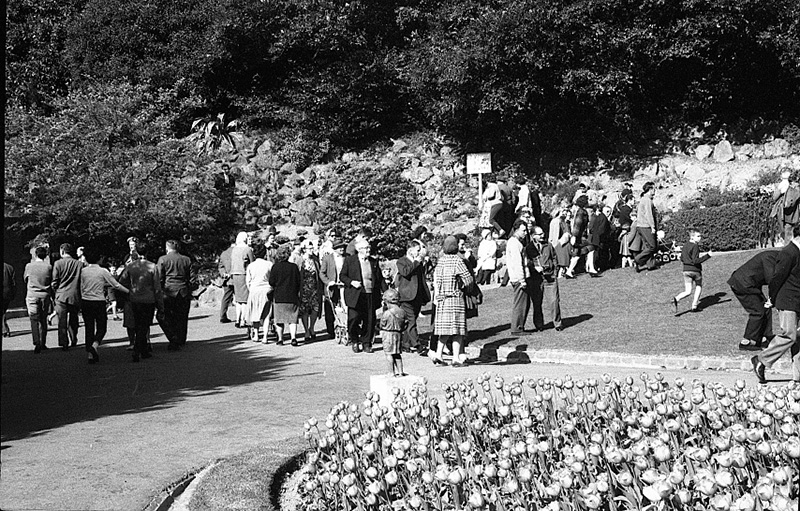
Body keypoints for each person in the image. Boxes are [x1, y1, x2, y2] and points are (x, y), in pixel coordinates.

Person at [752, 231, 800, 385]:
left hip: (797, 300)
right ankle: (761, 360)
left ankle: (797, 377)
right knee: (790, 335)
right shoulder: (788, 253)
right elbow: (776, 278)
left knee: (798, 338)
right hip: (787, 300)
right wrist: (772, 298)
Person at [80, 247, 129, 364]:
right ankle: (95, 345)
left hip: (86, 301)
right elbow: (116, 285)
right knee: (102, 327)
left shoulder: (83, 271)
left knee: (89, 327)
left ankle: (90, 353)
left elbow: (80, 286)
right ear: (99, 259)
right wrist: (128, 291)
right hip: (98, 301)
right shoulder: (103, 271)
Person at [430, 236, 473, 366]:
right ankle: (455, 358)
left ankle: (438, 354)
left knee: (444, 330)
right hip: (454, 298)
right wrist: (467, 288)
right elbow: (468, 279)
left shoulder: (440, 261)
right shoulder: (457, 261)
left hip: (442, 299)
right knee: (457, 330)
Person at [727, 250, 781, 351]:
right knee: (758, 312)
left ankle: (765, 338)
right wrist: (774, 298)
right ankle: (746, 341)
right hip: (743, 284)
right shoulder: (769, 257)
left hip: (750, 285)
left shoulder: (775, 257)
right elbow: (771, 279)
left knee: (766, 309)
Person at [340, 239, 387, 354]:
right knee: (354, 318)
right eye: (366, 248)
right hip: (355, 295)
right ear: (359, 250)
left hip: (370, 294)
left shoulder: (373, 262)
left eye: (369, 248)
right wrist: (352, 282)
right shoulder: (350, 260)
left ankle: (367, 343)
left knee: (369, 320)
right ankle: (355, 340)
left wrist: (386, 293)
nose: (368, 250)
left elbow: (380, 280)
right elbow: (342, 276)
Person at [119, 244, 161, 362]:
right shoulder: (152, 266)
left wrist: (129, 291)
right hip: (148, 299)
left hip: (134, 298)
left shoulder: (131, 266)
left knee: (138, 324)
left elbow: (122, 281)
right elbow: (157, 287)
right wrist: (160, 302)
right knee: (145, 324)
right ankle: (138, 350)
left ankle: (142, 350)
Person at [395, 240, 431, 355]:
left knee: (412, 320)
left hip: (417, 296)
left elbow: (421, 279)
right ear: (410, 251)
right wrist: (416, 262)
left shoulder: (419, 263)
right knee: (411, 321)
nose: (420, 252)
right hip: (406, 296)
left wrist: (425, 296)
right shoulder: (401, 261)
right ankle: (418, 345)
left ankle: (405, 344)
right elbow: (405, 273)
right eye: (418, 250)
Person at [157, 239, 193, 351]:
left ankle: (173, 338)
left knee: (166, 316)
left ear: (167, 248)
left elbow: (158, 277)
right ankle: (181, 338)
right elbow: (192, 277)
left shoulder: (163, 259)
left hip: (168, 291)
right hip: (183, 290)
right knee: (182, 316)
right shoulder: (186, 259)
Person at [671, 230, 712, 314]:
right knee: (698, 286)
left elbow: (682, 258)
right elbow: (695, 261)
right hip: (695, 270)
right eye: (698, 236)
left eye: (700, 236)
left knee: (688, 291)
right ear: (692, 237)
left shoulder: (685, 245)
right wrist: (708, 255)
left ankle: (676, 299)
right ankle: (694, 306)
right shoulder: (695, 246)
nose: (700, 238)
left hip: (686, 270)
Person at [51, 243, 83, 350]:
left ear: (62, 251)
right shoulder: (79, 264)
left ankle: (64, 342)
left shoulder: (58, 263)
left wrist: (55, 290)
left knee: (62, 320)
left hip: (61, 295)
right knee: (74, 318)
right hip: (75, 295)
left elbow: (55, 281)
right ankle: (74, 338)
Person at [269, 245, 302, 346]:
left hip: (279, 296)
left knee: (279, 319)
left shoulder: (275, 267)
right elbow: (298, 281)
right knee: (292, 319)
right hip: (292, 295)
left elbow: (271, 282)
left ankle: (280, 339)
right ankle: (293, 338)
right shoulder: (294, 267)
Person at [245, 242, 273, 343]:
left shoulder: (251, 266)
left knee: (255, 313)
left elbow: (248, 281)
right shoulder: (269, 264)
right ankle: (265, 336)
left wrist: (251, 289)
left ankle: (256, 334)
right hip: (266, 290)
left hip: (254, 290)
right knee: (266, 315)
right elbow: (272, 279)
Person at [506, 220, 531, 335]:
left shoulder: (515, 242)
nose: (525, 233)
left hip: (518, 277)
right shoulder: (514, 243)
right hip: (518, 278)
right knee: (520, 304)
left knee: (523, 303)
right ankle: (517, 328)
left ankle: (519, 327)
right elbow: (517, 263)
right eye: (523, 230)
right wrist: (522, 280)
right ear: (516, 230)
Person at [24, 247, 52, 353]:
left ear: (35, 254)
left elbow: (25, 279)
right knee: (43, 319)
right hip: (44, 295)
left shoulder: (29, 266)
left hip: (32, 294)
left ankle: (36, 342)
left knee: (33, 318)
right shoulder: (49, 267)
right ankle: (43, 342)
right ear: (45, 255)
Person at [320, 240, 346, 340]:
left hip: (344, 286)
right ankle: (330, 331)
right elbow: (322, 273)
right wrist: (328, 282)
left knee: (344, 307)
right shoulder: (327, 258)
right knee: (330, 307)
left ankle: (345, 325)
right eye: (339, 247)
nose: (342, 249)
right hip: (332, 287)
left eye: (343, 247)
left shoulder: (347, 257)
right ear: (334, 249)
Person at [539, 231, 564, 331]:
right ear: (533, 235)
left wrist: (555, 271)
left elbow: (554, 258)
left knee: (554, 301)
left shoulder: (548, 245)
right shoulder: (530, 247)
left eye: (542, 234)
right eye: (539, 234)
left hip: (550, 276)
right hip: (537, 278)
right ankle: (539, 324)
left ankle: (558, 323)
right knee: (537, 303)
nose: (542, 236)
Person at [298, 239, 322, 342]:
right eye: (309, 248)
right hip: (304, 289)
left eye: (312, 248)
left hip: (314, 288)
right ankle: (306, 331)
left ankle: (312, 327)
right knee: (304, 310)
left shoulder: (315, 260)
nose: (312, 250)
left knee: (315, 309)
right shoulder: (300, 260)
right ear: (304, 249)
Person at [380, 288, 407, 377]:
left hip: (388, 334)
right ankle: (400, 371)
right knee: (397, 354)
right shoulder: (402, 312)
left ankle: (391, 372)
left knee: (389, 354)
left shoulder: (387, 313)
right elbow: (406, 323)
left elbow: (382, 324)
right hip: (398, 334)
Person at [230, 232, 255, 328]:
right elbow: (252, 262)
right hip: (244, 274)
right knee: (245, 300)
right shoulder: (247, 249)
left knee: (238, 300)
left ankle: (237, 318)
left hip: (235, 274)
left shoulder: (234, 249)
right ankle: (243, 320)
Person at [634, 182, 659, 272]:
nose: (655, 190)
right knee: (653, 246)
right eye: (654, 188)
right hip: (645, 226)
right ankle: (638, 259)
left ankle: (650, 265)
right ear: (650, 189)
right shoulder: (647, 200)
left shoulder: (643, 199)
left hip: (640, 225)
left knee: (647, 246)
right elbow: (649, 215)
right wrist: (652, 226)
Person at [770, 170, 800, 244]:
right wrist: (780, 189)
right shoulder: (782, 185)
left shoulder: (795, 188)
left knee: (788, 231)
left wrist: (784, 189)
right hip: (783, 212)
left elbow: (790, 202)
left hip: (790, 213)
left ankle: (788, 249)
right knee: (784, 231)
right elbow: (774, 198)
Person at [565, 196, 590, 279]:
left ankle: (569, 271)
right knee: (591, 248)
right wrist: (574, 236)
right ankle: (591, 269)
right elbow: (577, 225)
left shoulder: (580, 211)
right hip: (580, 236)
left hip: (578, 236)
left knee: (577, 254)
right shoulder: (581, 212)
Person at [587, 204, 611, 276]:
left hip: (595, 238)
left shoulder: (598, 217)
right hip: (600, 239)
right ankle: (596, 268)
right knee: (599, 254)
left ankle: (593, 268)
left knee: (595, 254)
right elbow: (602, 230)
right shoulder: (604, 218)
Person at [217, 239, 235, 323]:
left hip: (227, 279)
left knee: (226, 298)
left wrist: (224, 273)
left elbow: (220, 266)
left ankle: (222, 315)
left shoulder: (224, 253)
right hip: (237, 278)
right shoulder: (238, 252)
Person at [3, 261, 16, 339]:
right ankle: (5, 329)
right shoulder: (9, 267)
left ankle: (5, 330)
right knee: (3, 311)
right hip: (7, 293)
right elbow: (13, 283)